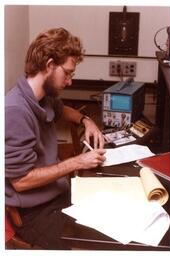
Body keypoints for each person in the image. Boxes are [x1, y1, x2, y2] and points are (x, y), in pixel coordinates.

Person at [5, 27, 106, 249]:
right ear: (49, 65)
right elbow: (20, 182)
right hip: (35, 214)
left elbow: (63, 110)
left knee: (110, 209)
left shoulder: (43, 96)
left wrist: (85, 120)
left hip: (57, 193)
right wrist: (77, 162)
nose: (69, 81)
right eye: (68, 72)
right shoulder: (14, 110)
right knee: (99, 242)